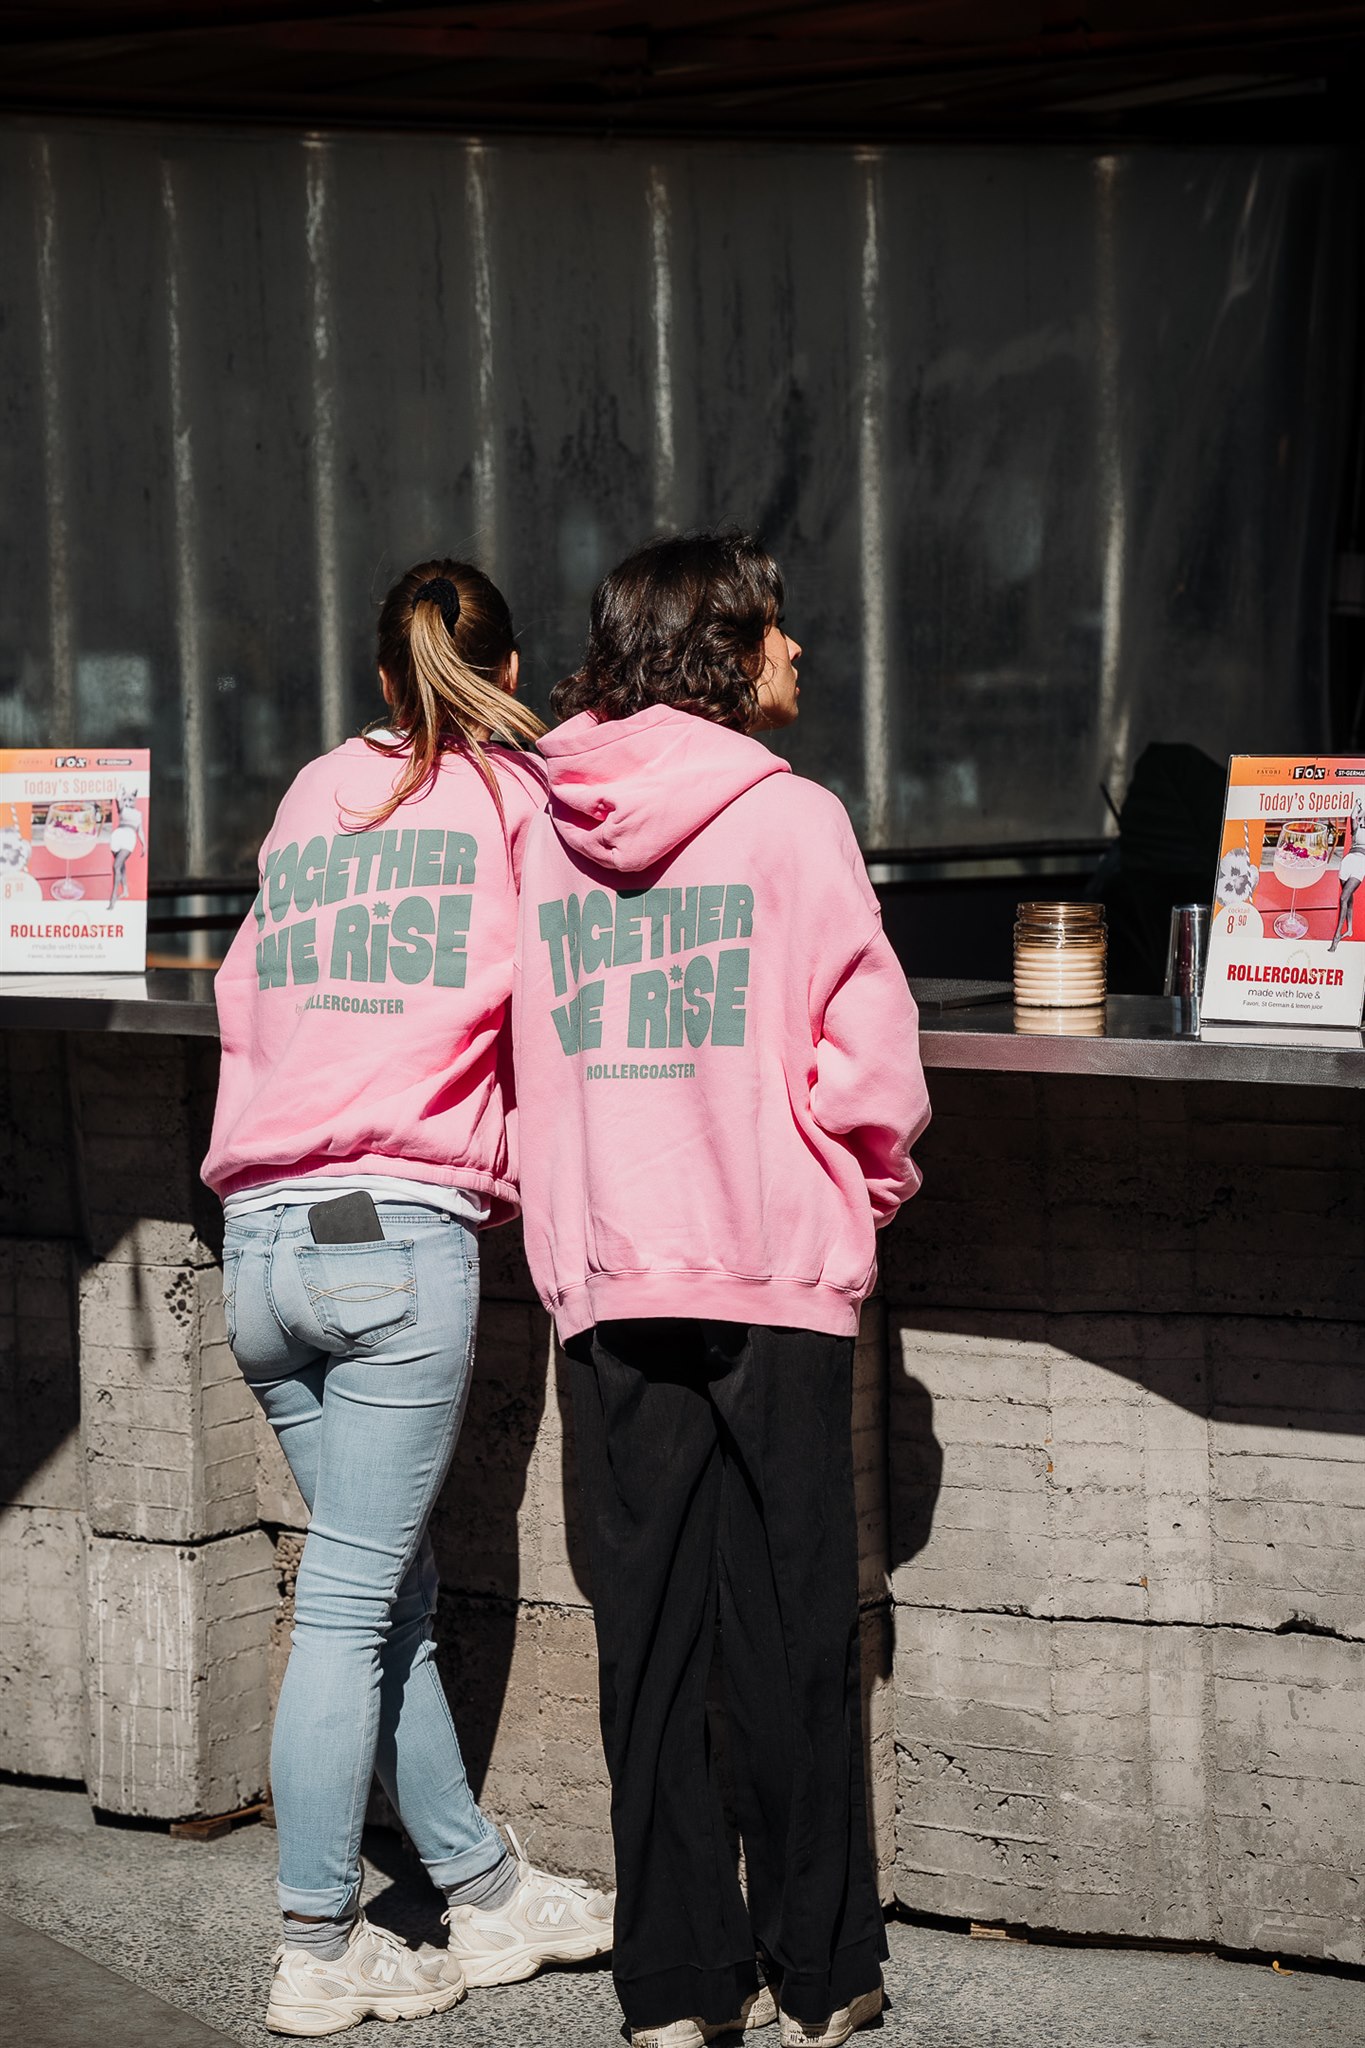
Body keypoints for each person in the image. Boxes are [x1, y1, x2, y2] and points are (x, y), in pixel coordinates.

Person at [512, 531, 930, 2048]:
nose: (796, 648)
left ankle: (674, 1992)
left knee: (648, 1643)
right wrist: (859, 1196)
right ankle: (818, 1975)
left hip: (608, 1276)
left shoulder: (537, 823)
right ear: (722, 650)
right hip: (769, 1271)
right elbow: (870, 1066)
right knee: (792, 1631)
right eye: (773, 626)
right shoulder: (793, 820)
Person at [202, 559, 613, 2037]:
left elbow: (245, 996)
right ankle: (319, 1946)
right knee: (351, 1604)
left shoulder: (315, 793)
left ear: (385, 679)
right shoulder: (519, 801)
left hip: (260, 1241)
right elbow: (565, 996)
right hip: (391, 1237)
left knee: (390, 1595)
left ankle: (480, 1890)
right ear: (508, 670)